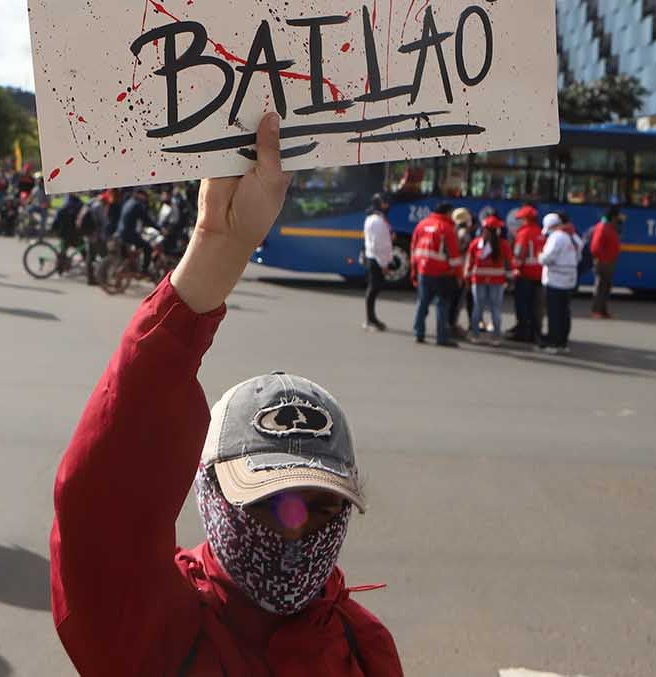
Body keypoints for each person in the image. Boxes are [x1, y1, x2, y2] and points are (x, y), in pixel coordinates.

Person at [51, 113, 401, 675]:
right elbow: (101, 503)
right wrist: (216, 256)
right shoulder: (152, 630)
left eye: (322, 506)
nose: (297, 531)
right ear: (211, 494)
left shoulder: (365, 645)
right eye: (268, 504)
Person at [411, 202, 460, 347]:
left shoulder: (421, 225)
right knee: (442, 305)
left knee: (422, 302)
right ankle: (442, 337)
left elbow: (413, 249)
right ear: (448, 213)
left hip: (423, 270)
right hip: (442, 273)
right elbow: (454, 256)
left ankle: (418, 333)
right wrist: (459, 275)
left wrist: (414, 270)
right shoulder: (447, 228)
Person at [465, 216, 513, 343]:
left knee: (477, 308)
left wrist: (467, 279)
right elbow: (509, 263)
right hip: (497, 281)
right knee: (495, 309)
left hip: (478, 280)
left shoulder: (476, 244)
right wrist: (510, 280)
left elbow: (469, 263)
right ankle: (496, 337)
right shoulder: (503, 244)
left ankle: (475, 335)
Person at [538, 212, 581, 354]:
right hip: (569, 280)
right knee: (564, 313)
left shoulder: (556, 237)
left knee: (554, 313)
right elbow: (579, 255)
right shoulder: (573, 236)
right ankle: (562, 342)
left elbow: (548, 257)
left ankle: (553, 343)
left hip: (555, 280)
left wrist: (540, 257)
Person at [508, 204, 545, 343]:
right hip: (539, 274)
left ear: (525, 219)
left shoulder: (524, 233)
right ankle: (535, 332)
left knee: (522, 305)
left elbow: (519, 255)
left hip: (525, 274)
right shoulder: (540, 233)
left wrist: (513, 269)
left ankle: (523, 332)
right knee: (535, 306)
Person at [362, 193, 393, 331]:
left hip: (373, 258)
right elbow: (378, 246)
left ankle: (371, 319)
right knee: (373, 289)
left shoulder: (372, 219)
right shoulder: (378, 222)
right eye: (385, 203)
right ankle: (370, 320)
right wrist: (384, 264)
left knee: (373, 289)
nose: (387, 206)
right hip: (376, 260)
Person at [589, 205, 623, 319]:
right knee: (600, 287)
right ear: (613, 217)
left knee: (606, 287)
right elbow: (595, 247)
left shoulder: (610, 227)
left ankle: (603, 310)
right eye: (617, 216)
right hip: (603, 262)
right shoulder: (603, 227)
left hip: (609, 261)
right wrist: (603, 259)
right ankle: (596, 310)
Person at [447, 207, 475, 337]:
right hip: (461, 270)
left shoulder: (452, 231)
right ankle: (452, 326)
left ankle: (448, 324)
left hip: (451, 269)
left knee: (451, 300)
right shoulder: (464, 234)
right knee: (457, 301)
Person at [116, 188, 157, 273]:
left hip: (121, 232)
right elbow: (146, 219)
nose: (145, 198)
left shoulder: (129, 201)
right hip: (128, 233)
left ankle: (135, 264)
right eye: (145, 196)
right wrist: (159, 228)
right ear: (140, 195)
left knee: (138, 245)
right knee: (147, 247)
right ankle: (144, 270)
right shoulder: (137, 204)